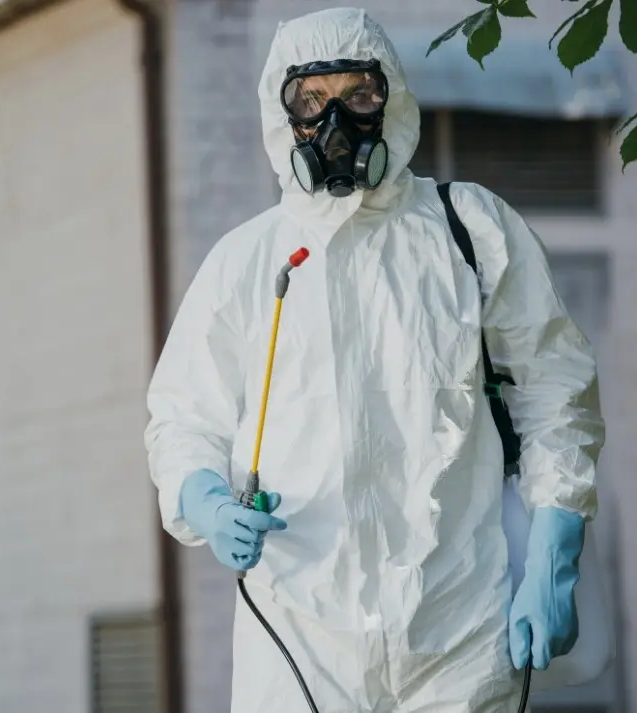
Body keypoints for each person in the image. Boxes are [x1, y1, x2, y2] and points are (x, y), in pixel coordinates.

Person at [143, 6, 605, 713]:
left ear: (391, 98)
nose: (336, 123)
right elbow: (181, 419)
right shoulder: (247, 263)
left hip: (458, 626)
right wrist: (203, 499)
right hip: (297, 633)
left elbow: (556, 389)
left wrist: (552, 550)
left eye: (359, 95)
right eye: (312, 102)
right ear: (284, 118)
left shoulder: (468, 230)